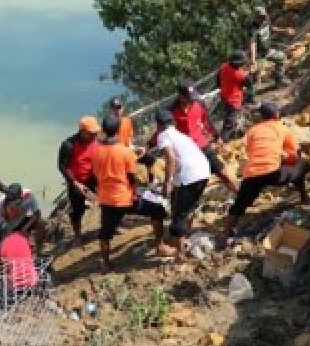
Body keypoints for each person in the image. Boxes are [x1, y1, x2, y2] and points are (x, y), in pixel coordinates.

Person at [92, 114, 171, 272]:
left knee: (105, 234)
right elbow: (131, 177)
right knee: (157, 210)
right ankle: (160, 246)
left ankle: (106, 263)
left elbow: (95, 175)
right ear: (118, 130)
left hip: (106, 199)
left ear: (103, 130)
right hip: (125, 197)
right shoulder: (125, 152)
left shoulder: (96, 152)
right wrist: (134, 192)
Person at [223, 102, 308, 245]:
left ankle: (226, 233)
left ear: (262, 116)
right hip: (273, 173)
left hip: (251, 174)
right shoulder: (282, 128)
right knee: (301, 166)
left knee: (239, 204)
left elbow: (252, 151)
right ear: (276, 114)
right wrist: (285, 157)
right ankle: (304, 196)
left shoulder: (252, 130)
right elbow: (294, 155)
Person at [153, 109, 211, 261]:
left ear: (159, 125)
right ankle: (183, 238)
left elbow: (171, 159)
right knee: (187, 206)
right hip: (203, 170)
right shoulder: (180, 135)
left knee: (179, 213)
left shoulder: (163, 136)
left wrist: (168, 182)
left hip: (189, 175)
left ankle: (180, 254)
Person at [170, 82, 239, 191]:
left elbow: (206, 122)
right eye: (189, 97)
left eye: (193, 97)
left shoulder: (198, 104)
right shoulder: (171, 111)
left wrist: (216, 136)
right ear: (181, 96)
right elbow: (165, 132)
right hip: (185, 151)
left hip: (202, 144)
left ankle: (238, 194)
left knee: (223, 172)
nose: (192, 100)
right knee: (190, 182)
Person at [58, 115, 101, 241]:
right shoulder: (68, 145)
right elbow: (62, 166)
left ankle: (107, 227)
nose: (94, 135)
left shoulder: (96, 141)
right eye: (91, 133)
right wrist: (74, 183)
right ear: (82, 132)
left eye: (95, 133)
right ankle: (77, 235)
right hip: (76, 181)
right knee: (78, 210)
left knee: (106, 201)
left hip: (93, 178)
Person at [246, 5, 294, 99]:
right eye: (261, 17)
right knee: (256, 76)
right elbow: (252, 44)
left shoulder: (265, 20)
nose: (263, 19)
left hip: (268, 50)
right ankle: (250, 97)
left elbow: (271, 28)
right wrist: (253, 60)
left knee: (282, 58)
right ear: (255, 17)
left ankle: (279, 79)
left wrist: (284, 30)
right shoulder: (252, 28)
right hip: (259, 55)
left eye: (264, 16)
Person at [0, 182, 43, 252]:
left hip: (21, 221)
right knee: (7, 244)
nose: (13, 204)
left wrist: (25, 228)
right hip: (7, 225)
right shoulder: (1, 204)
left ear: (21, 196)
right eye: (10, 202)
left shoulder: (28, 196)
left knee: (41, 223)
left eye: (15, 202)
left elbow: (37, 214)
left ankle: (38, 250)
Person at [217, 50, 249, 140]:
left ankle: (230, 133)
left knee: (228, 117)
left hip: (224, 96)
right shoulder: (239, 75)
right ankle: (224, 140)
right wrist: (249, 74)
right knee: (229, 123)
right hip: (234, 101)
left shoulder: (223, 66)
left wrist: (221, 86)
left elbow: (218, 79)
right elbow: (248, 83)